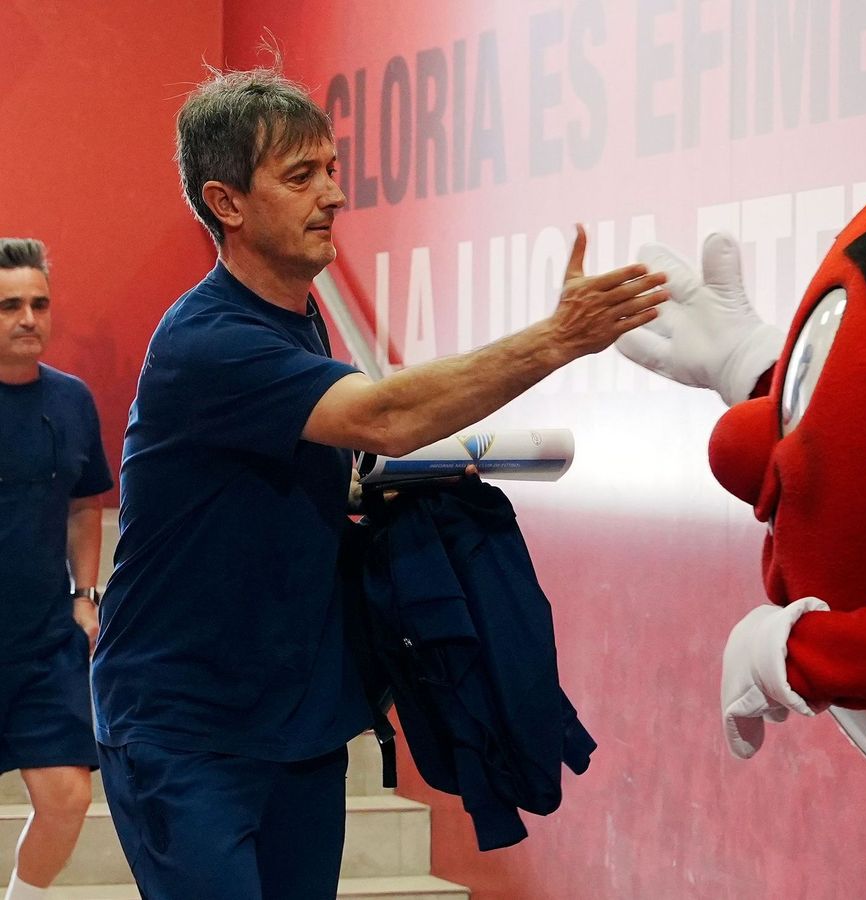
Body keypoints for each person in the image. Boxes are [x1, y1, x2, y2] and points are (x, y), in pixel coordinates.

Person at [92, 63, 666, 900]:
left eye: (330, 169)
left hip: (299, 722)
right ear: (227, 203)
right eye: (300, 177)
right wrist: (556, 341)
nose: (331, 194)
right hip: (186, 732)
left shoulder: (301, 320)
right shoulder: (206, 340)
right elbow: (385, 416)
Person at [0, 238, 113, 900]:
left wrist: (85, 596)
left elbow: (83, 503)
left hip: (44, 637)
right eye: (10, 304)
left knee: (67, 795)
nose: (28, 318)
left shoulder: (71, 401)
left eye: (39, 303)